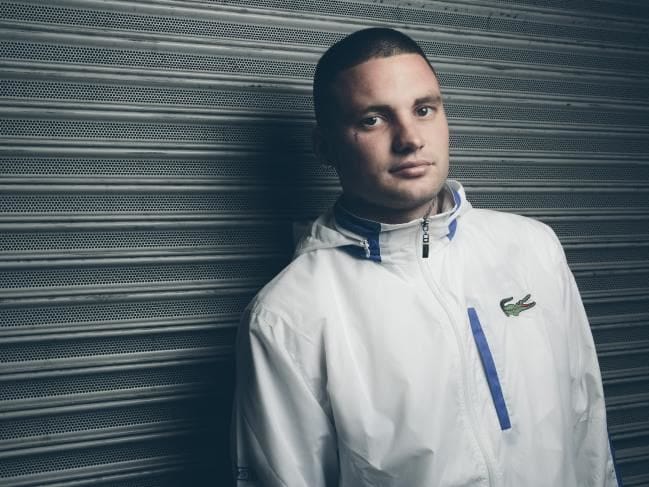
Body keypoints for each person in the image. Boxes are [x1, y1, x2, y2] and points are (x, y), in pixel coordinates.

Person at [232, 27, 621, 486]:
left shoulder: (534, 248)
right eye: (373, 119)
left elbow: (588, 433)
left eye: (423, 109)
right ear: (325, 147)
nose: (410, 138)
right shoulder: (286, 317)